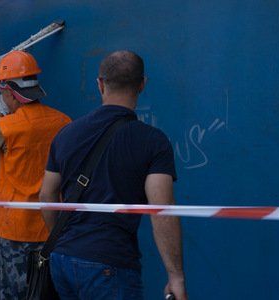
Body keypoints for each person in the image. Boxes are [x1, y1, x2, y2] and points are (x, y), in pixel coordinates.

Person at [39, 50, 187, 300]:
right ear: (142, 84)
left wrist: (66, 239)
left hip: (62, 260)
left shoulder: (66, 134)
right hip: (110, 265)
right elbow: (162, 211)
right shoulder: (153, 142)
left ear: (100, 84)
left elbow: (46, 194)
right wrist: (176, 276)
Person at [0, 50, 70, 299]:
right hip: (51, 228)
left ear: (8, 92)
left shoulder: (7, 126)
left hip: (14, 231)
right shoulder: (62, 122)